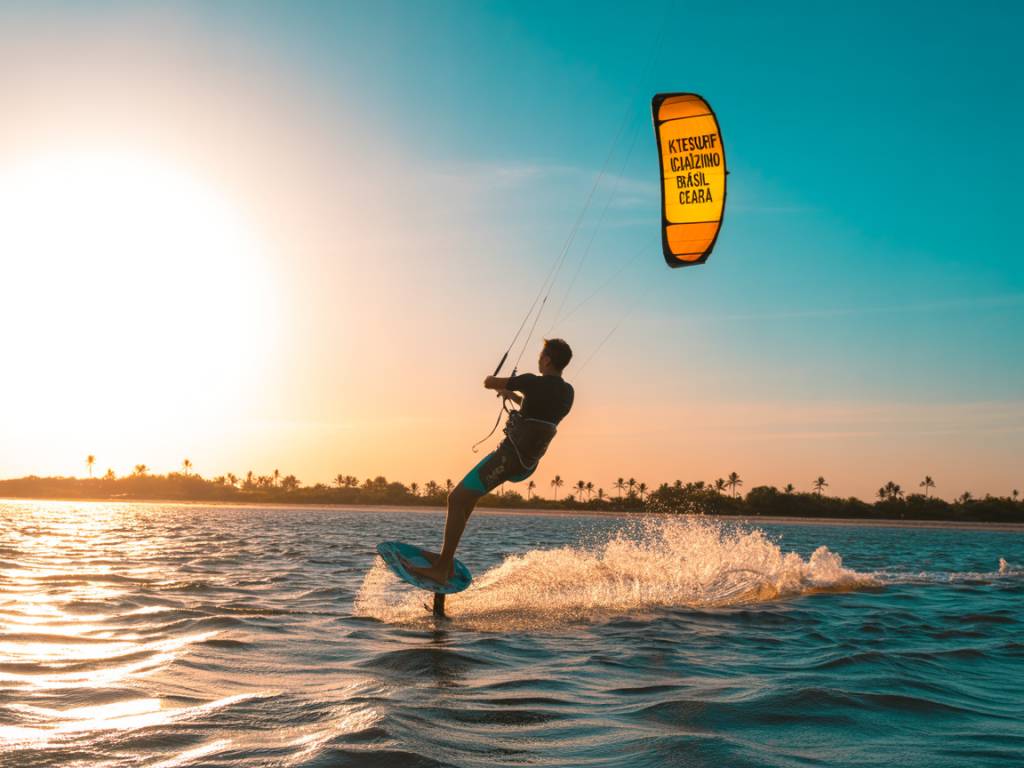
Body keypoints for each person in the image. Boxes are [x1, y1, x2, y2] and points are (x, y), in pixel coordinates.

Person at [403, 338, 574, 586]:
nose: (538, 358)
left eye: (541, 355)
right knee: (468, 498)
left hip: (508, 458)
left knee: (456, 498)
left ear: (547, 359)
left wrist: (497, 383)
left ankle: (441, 568)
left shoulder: (531, 381)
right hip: (527, 464)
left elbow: (488, 383)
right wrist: (512, 395)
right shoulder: (568, 392)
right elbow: (539, 410)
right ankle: (446, 558)